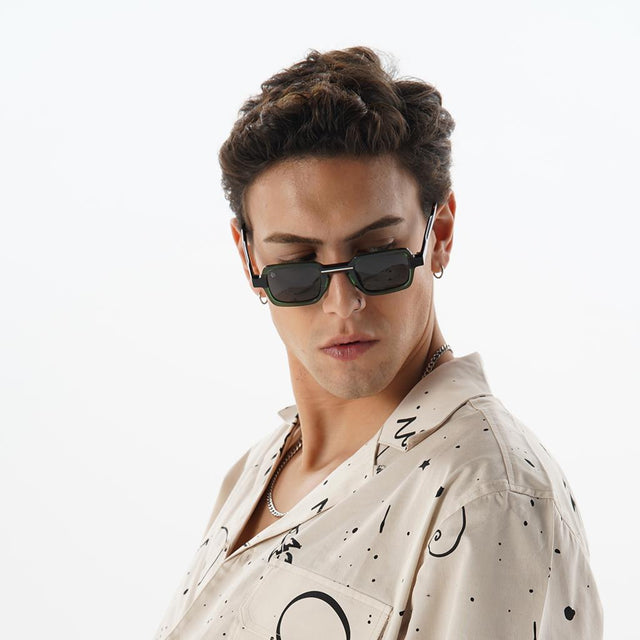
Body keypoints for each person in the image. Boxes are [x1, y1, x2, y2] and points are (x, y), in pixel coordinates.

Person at [153, 47, 603, 639]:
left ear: (439, 234)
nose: (343, 303)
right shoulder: (258, 469)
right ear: (249, 260)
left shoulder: (488, 496)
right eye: (297, 267)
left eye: (378, 258)